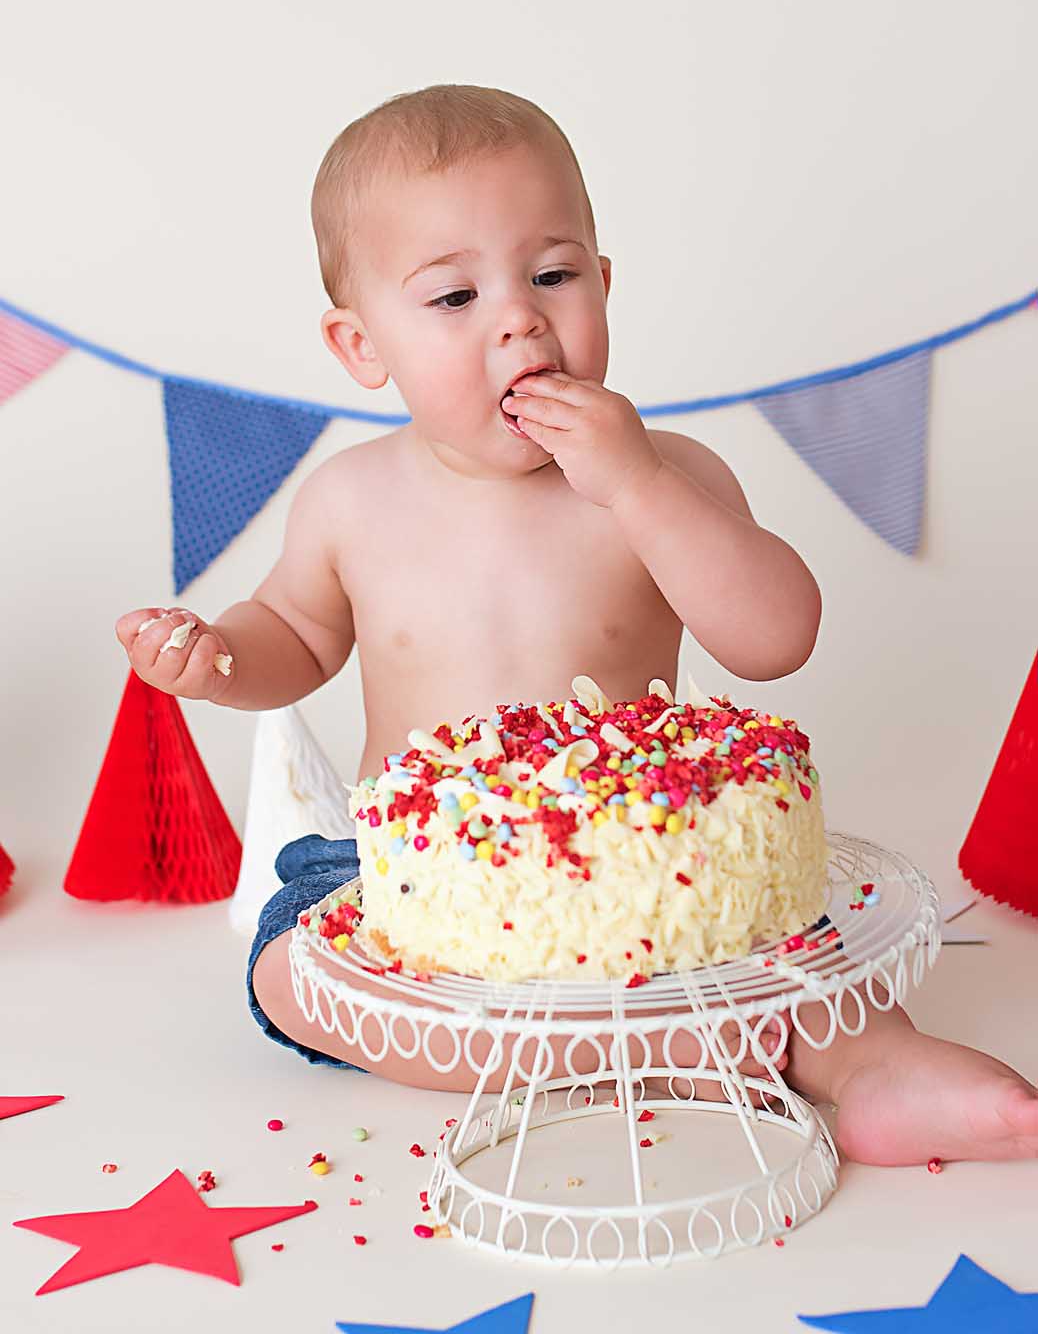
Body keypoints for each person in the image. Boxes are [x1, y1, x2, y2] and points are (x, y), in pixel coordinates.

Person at [115, 83, 1038, 1167]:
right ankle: (698, 1050)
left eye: (552, 275)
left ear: (602, 287)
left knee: (804, 951)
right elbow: (295, 639)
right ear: (363, 346)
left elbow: (775, 638)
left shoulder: (669, 479)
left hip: (657, 875)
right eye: (454, 298)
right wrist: (220, 658)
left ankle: (870, 1063)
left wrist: (636, 483)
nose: (519, 317)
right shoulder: (350, 499)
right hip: (415, 888)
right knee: (290, 973)